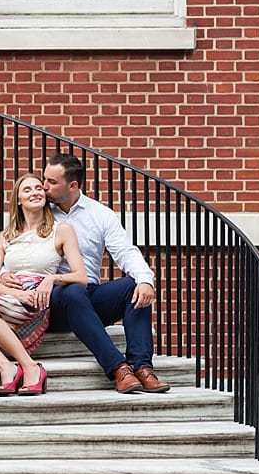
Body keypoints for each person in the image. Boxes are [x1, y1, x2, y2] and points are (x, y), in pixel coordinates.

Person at [20, 153, 170, 394]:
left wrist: (145, 280)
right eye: (43, 179)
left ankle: (142, 366)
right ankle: (118, 367)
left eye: (51, 182)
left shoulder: (100, 214)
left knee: (134, 287)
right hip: (51, 301)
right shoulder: (39, 211)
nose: (44, 187)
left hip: (87, 296)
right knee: (73, 292)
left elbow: (125, 251)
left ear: (73, 185)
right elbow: (16, 246)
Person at [0, 174, 88, 396]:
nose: (35, 192)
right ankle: (12, 366)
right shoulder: (5, 236)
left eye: (39, 188)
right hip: (10, 295)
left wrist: (52, 279)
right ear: (18, 200)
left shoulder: (61, 230)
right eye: (27, 189)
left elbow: (80, 276)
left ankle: (22, 367)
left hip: (35, 298)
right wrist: (13, 291)